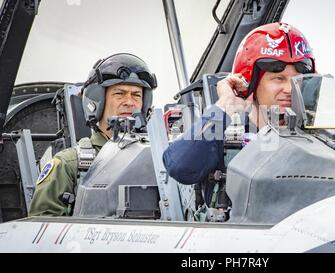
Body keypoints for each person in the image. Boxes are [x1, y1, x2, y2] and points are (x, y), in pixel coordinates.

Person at [162, 22, 315, 220]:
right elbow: (180, 166)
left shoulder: (316, 138)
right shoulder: (223, 133)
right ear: (250, 82)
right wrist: (225, 105)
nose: (289, 88)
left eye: (297, 79)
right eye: (278, 78)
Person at [29, 53, 157, 216]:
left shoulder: (156, 161)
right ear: (97, 102)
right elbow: (43, 230)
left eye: (136, 95)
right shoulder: (68, 165)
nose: (129, 102)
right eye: (119, 94)